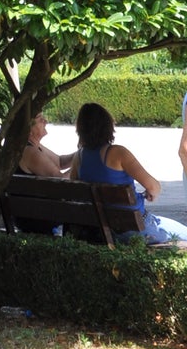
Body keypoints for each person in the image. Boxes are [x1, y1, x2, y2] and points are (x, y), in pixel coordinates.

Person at [75, 101, 187, 246]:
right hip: (135, 228)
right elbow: (154, 187)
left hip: (98, 229)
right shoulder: (117, 153)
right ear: (107, 126)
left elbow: (76, 187)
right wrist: (150, 193)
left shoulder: (79, 157)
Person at [17, 112, 73, 178]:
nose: (45, 122)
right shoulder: (29, 151)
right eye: (40, 119)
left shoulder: (34, 145)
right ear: (29, 129)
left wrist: (81, 153)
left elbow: (59, 162)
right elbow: (60, 179)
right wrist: (83, 162)